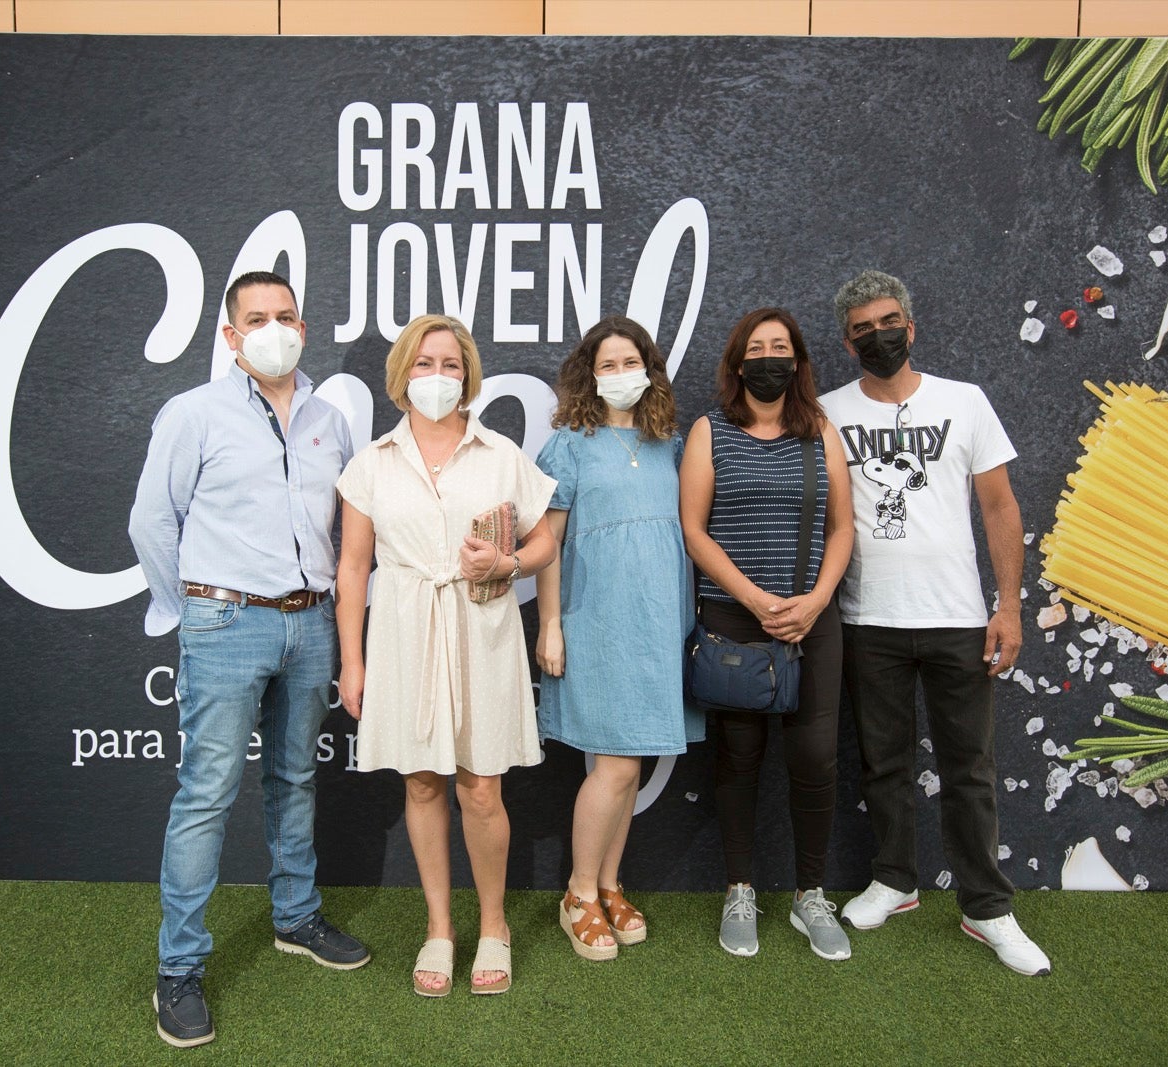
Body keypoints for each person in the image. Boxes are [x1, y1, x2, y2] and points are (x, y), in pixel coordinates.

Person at [128, 271, 369, 1048]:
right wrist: (189, 607)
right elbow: (150, 522)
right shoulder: (193, 413)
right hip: (226, 618)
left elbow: (347, 534)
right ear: (231, 337)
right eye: (257, 318)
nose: (275, 328)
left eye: (287, 315)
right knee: (206, 792)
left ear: (305, 323)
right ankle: (179, 967)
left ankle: (295, 917)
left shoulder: (331, 419)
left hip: (311, 623)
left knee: (296, 776)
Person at [821, 269, 1050, 977]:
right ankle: (894, 880)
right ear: (847, 341)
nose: (878, 336)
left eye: (888, 322)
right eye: (862, 329)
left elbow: (1001, 507)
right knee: (883, 766)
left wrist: (1008, 605)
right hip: (868, 619)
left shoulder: (966, 402)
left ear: (911, 327)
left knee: (969, 769)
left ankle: (987, 907)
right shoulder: (828, 411)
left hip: (957, 618)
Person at [334, 314, 557, 997]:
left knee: (481, 786)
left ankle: (494, 925)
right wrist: (352, 659)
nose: (439, 376)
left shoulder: (500, 454)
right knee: (422, 782)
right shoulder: (372, 462)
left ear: (469, 375)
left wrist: (509, 559)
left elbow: (546, 541)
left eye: (452, 364)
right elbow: (352, 566)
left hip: (481, 627)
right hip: (402, 629)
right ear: (403, 374)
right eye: (426, 363)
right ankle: (440, 926)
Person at [678, 307, 854, 960]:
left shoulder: (821, 434)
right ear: (737, 363)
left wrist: (814, 600)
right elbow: (694, 528)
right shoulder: (709, 432)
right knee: (737, 760)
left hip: (812, 623)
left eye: (781, 346)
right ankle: (740, 887)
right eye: (758, 347)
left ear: (799, 361)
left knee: (814, 759)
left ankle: (811, 894)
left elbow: (842, 526)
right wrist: (754, 598)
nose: (770, 357)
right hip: (733, 622)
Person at [534, 316, 704, 961]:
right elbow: (546, 545)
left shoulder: (675, 445)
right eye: (607, 364)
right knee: (617, 763)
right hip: (598, 620)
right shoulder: (569, 446)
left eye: (630, 361)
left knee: (633, 763)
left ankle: (609, 882)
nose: (619, 374)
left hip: (661, 622)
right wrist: (550, 623)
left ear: (650, 370)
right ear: (588, 374)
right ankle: (578, 893)